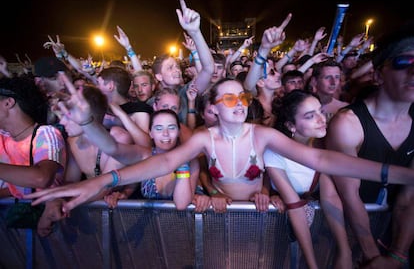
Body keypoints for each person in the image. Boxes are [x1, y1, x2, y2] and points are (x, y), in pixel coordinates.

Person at [25, 75, 414, 217]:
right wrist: (103, 182)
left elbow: (321, 157)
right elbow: (158, 163)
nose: (239, 102)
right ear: (211, 109)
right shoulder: (203, 138)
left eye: (241, 97)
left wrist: (402, 175)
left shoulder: (262, 136)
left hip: (262, 220)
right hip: (220, 221)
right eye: (228, 99)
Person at [325, 21, 414, 268]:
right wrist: (373, 257)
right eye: (404, 63)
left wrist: (396, 255)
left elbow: (410, 196)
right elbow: (349, 194)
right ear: (377, 75)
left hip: (399, 235)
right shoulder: (347, 123)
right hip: (348, 234)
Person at [264, 90, 351, 269]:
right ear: (291, 125)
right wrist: (313, 265)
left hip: (317, 228)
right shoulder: (274, 151)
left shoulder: (325, 145)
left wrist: (345, 251)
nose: (321, 119)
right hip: (279, 225)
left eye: (321, 111)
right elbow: (294, 204)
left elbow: (330, 197)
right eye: (311, 116)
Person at [0, 76, 67, 237]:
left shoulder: (45, 134)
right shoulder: (2, 137)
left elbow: (41, 178)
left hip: (57, 234)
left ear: (8, 103)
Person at [58, 84, 138, 209]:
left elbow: (104, 188)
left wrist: (64, 205)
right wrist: (55, 200)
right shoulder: (72, 142)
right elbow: (71, 183)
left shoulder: (119, 138)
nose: (62, 122)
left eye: (68, 115)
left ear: (87, 114)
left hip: (124, 213)